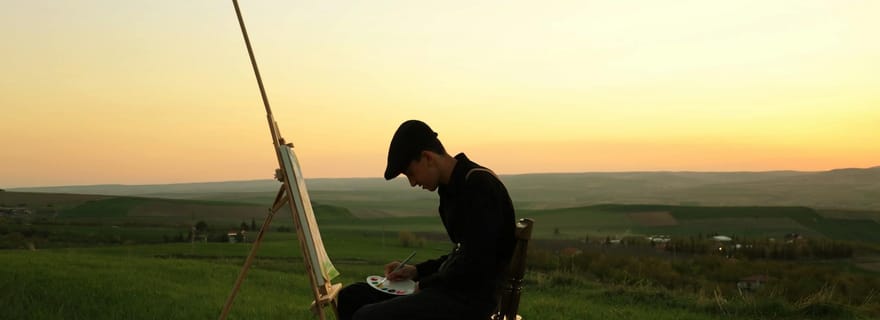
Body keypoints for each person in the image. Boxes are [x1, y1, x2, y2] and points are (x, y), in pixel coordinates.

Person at [336, 120, 517, 320]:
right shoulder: (453, 189)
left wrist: (424, 285)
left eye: (411, 174)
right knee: (351, 297)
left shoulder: (478, 186)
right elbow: (461, 254)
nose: (413, 182)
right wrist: (415, 271)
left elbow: (475, 265)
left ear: (427, 157)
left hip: (470, 301)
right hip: (451, 289)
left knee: (366, 317)